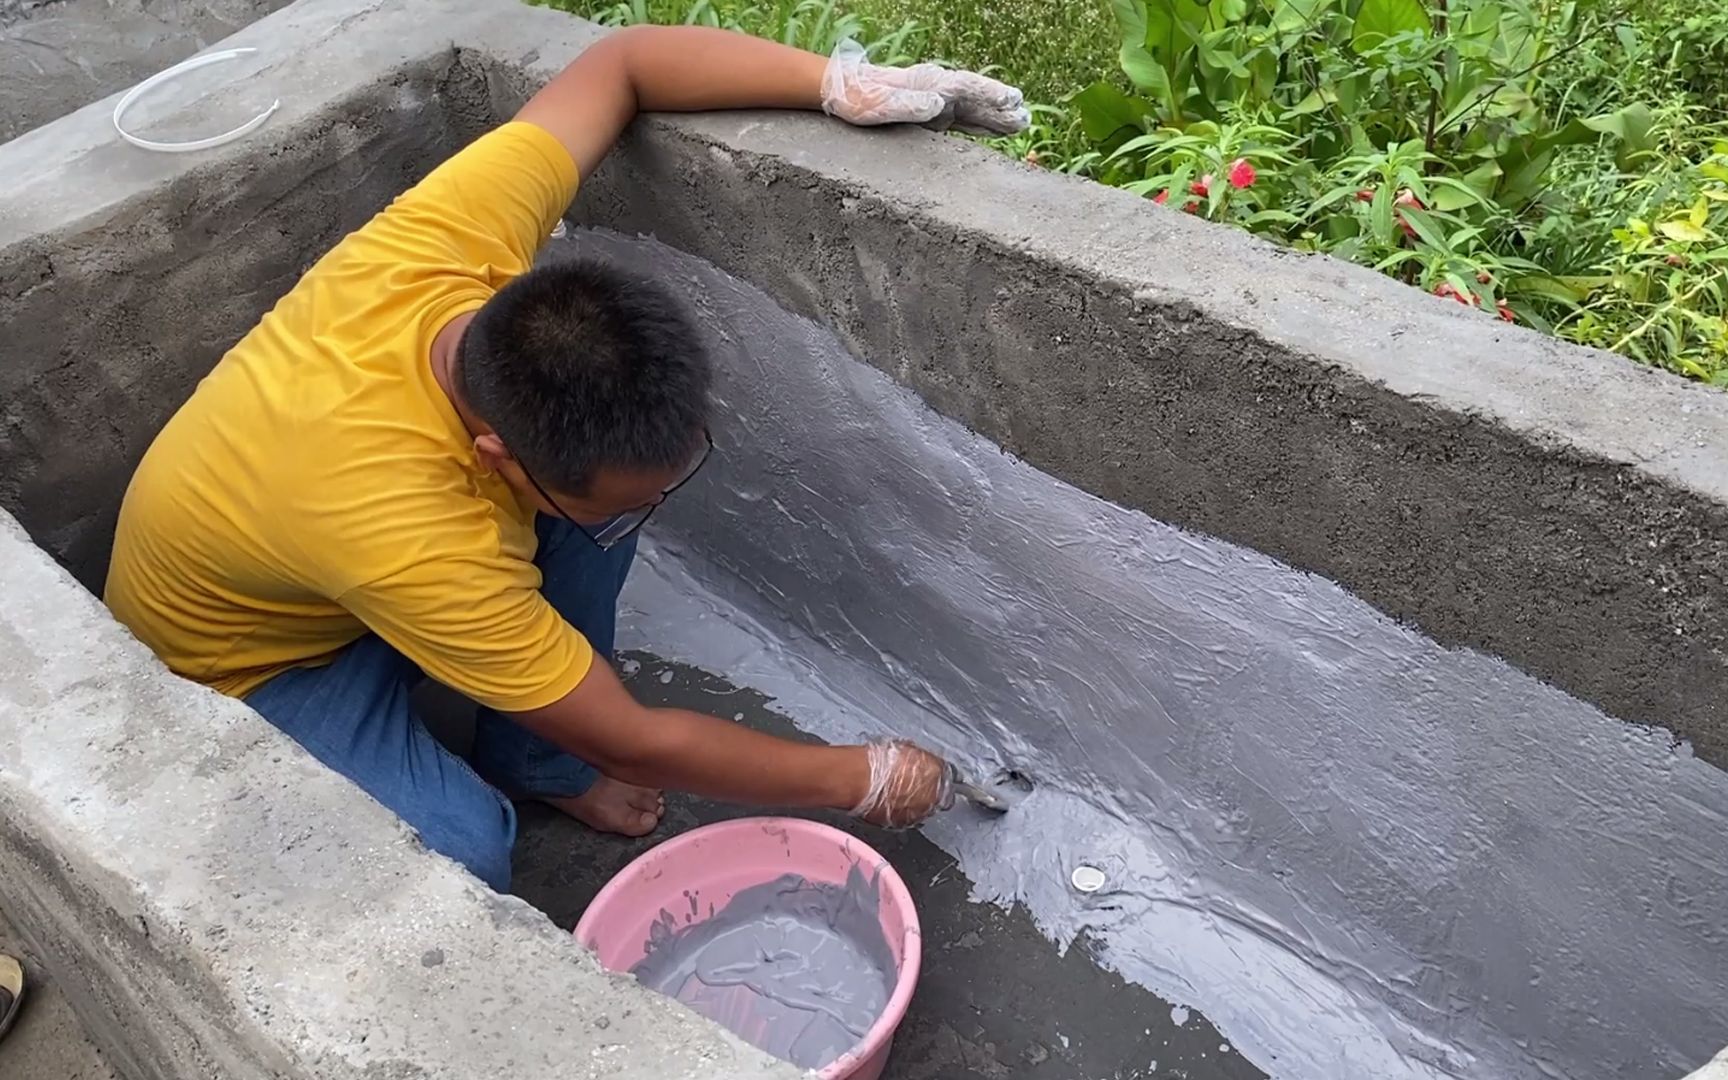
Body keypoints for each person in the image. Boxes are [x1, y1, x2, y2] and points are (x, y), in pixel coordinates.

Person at [104, 27, 1028, 892]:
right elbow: (636, 742)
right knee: (469, 848)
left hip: (313, 569)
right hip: (249, 666)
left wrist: (835, 82)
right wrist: (860, 778)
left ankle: (540, 758)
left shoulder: (449, 243)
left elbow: (622, 64)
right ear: (494, 453)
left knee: (591, 535)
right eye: (619, 499)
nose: (649, 511)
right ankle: (512, 760)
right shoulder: (412, 536)